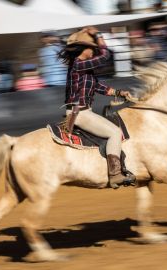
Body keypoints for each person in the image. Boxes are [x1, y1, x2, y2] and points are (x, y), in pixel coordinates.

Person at [58, 26, 134, 188]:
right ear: (84, 49)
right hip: (80, 113)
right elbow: (105, 55)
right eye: (92, 48)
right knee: (115, 133)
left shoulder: (83, 68)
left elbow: (98, 87)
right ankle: (115, 174)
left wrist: (119, 93)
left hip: (82, 112)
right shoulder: (79, 64)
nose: (94, 51)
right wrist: (98, 36)